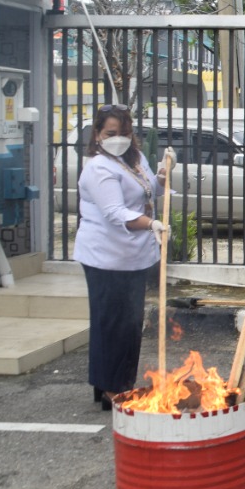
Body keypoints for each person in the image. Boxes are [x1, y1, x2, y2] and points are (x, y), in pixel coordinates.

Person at [73, 104, 169, 410]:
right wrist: (151, 224)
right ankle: (109, 388)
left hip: (134, 256)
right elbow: (116, 213)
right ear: (98, 136)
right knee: (110, 323)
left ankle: (120, 384)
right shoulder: (98, 168)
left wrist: (163, 177)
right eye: (110, 133)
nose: (118, 138)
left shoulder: (135, 159)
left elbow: (149, 191)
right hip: (106, 257)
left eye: (123, 132)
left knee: (130, 324)